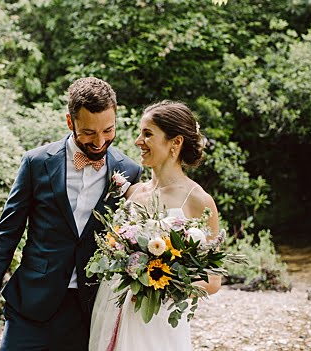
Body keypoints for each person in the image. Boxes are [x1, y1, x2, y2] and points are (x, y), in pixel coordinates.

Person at [0, 77, 145, 351]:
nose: (100, 141)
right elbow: (6, 234)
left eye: (108, 130)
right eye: (89, 132)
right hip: (32, 304)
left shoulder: (130, 170)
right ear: (70, 122)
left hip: (90, 309)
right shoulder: (36, 163)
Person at [86, 101, 223, 351]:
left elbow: (213, 281)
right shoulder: (132, 192)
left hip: (158, 318)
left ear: (176, 142)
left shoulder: (198, 200)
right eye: (140, 133)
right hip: (113, 305)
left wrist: (165, 285)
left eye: (147, 134)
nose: (138, 141)